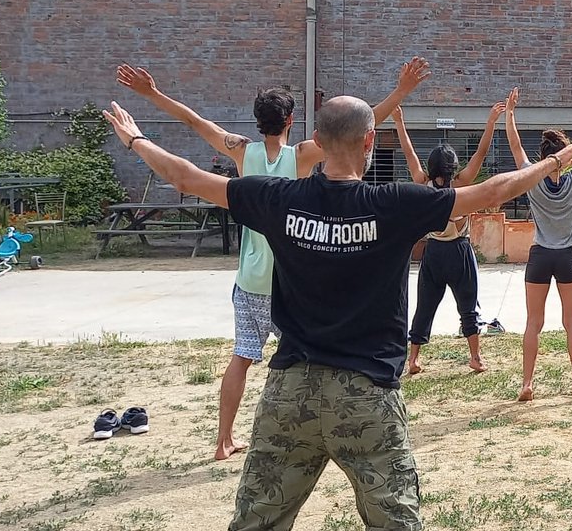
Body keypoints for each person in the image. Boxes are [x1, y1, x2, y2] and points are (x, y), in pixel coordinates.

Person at [101, 88, 572, 531]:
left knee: (249, 524)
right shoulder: (395, 204)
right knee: (390, 527)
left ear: (315, 141)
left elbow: (188, 178)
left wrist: (135, 139)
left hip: (291, 389)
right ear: (369, 142)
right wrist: (556, 161)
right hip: (368, 395)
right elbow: (491, 190)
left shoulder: (279, 198)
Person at [115, 60, 427, 461]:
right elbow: (356, 127)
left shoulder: (241, 150)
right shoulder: (301, 155)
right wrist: (401, 92)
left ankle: (223, 440)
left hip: (249, 280)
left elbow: (194, 121)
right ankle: (312, 435)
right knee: (306, 360)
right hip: (290, 282)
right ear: (292, 120)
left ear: (257, 121)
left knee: (242, 357)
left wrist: (151, 96)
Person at [504, 87, 572, 401]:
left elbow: (515, 144)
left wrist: (510, 113)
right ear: (568, 156)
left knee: (533, 323)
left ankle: (527, 384)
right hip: (567, 257)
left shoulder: (532, 178)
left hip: (539, 256)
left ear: (544, 156)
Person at [393, 103, 506, 377]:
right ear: (453, 168)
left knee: (425, 307)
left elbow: (409, 153)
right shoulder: (462, 184)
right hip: (459, 252)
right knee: (468, 305)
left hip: (433, 254)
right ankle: (475, 357)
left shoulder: (423, 183)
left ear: (432, 169)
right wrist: (490, 122)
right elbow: (480, 153)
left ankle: (414, 360)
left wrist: (399, 122)